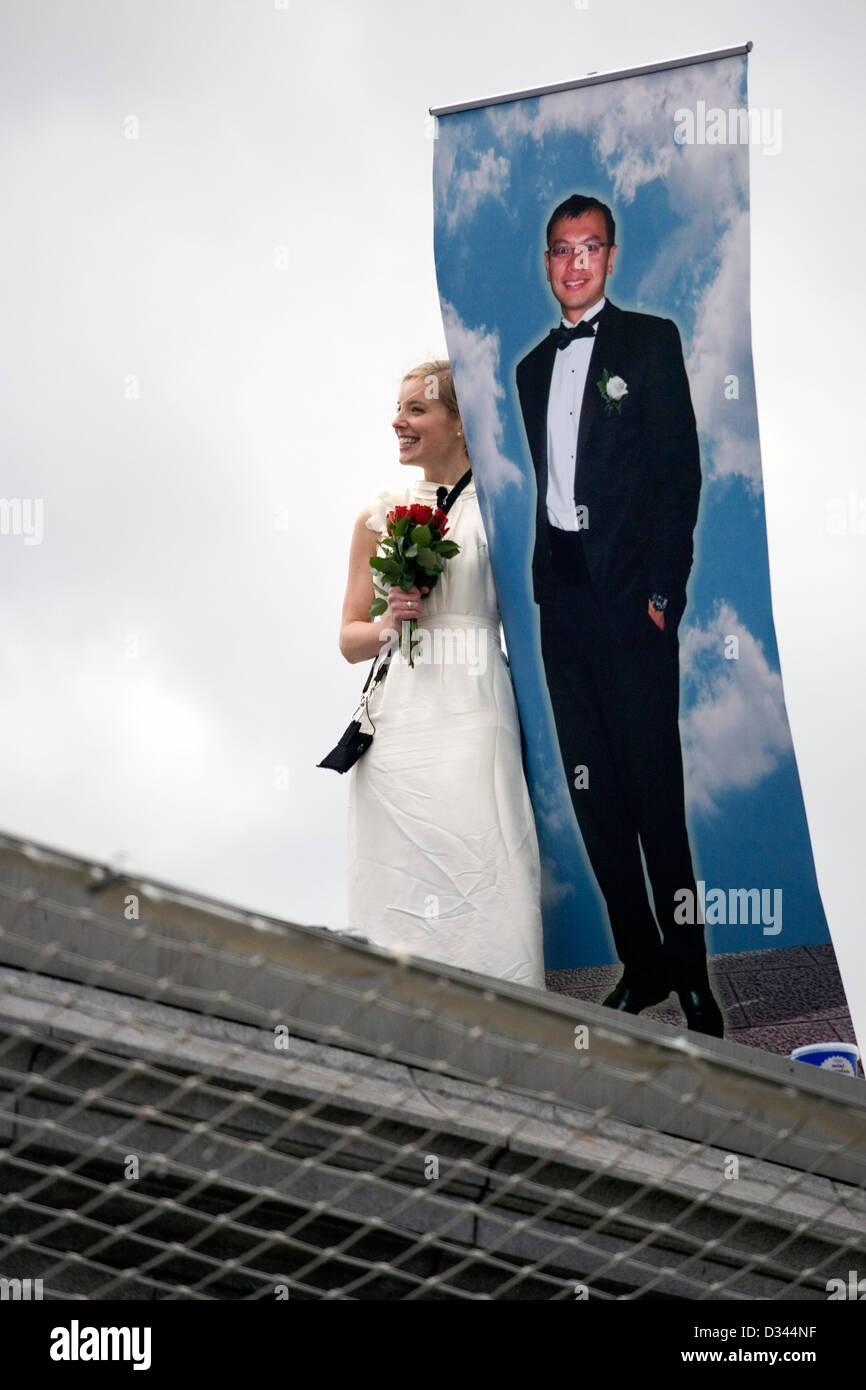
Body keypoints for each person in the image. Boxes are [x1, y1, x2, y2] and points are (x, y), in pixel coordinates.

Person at [515, 194, 724, 1036]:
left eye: (589, 248)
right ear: (547, 262)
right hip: (559, 604)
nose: (574, 263)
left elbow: (680, 476)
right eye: (560, 250)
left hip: (631, 607)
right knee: (594, 802)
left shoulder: (650, 341)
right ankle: (641, 969)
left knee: (654, 802)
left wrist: (662, 594)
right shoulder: (531, 368)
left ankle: (693, 975)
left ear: (610, 256)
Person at [340, 360, 546, 988]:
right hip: (398, 718)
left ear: (461, 424)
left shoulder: (509, 504)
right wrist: (387, 622)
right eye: (399, 410)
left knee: (485, 851)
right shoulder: (379, 514)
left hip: (474, 698)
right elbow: (349, 639)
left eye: (417, 410)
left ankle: (504, 1013)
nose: (397, 422)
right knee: (399, 873)